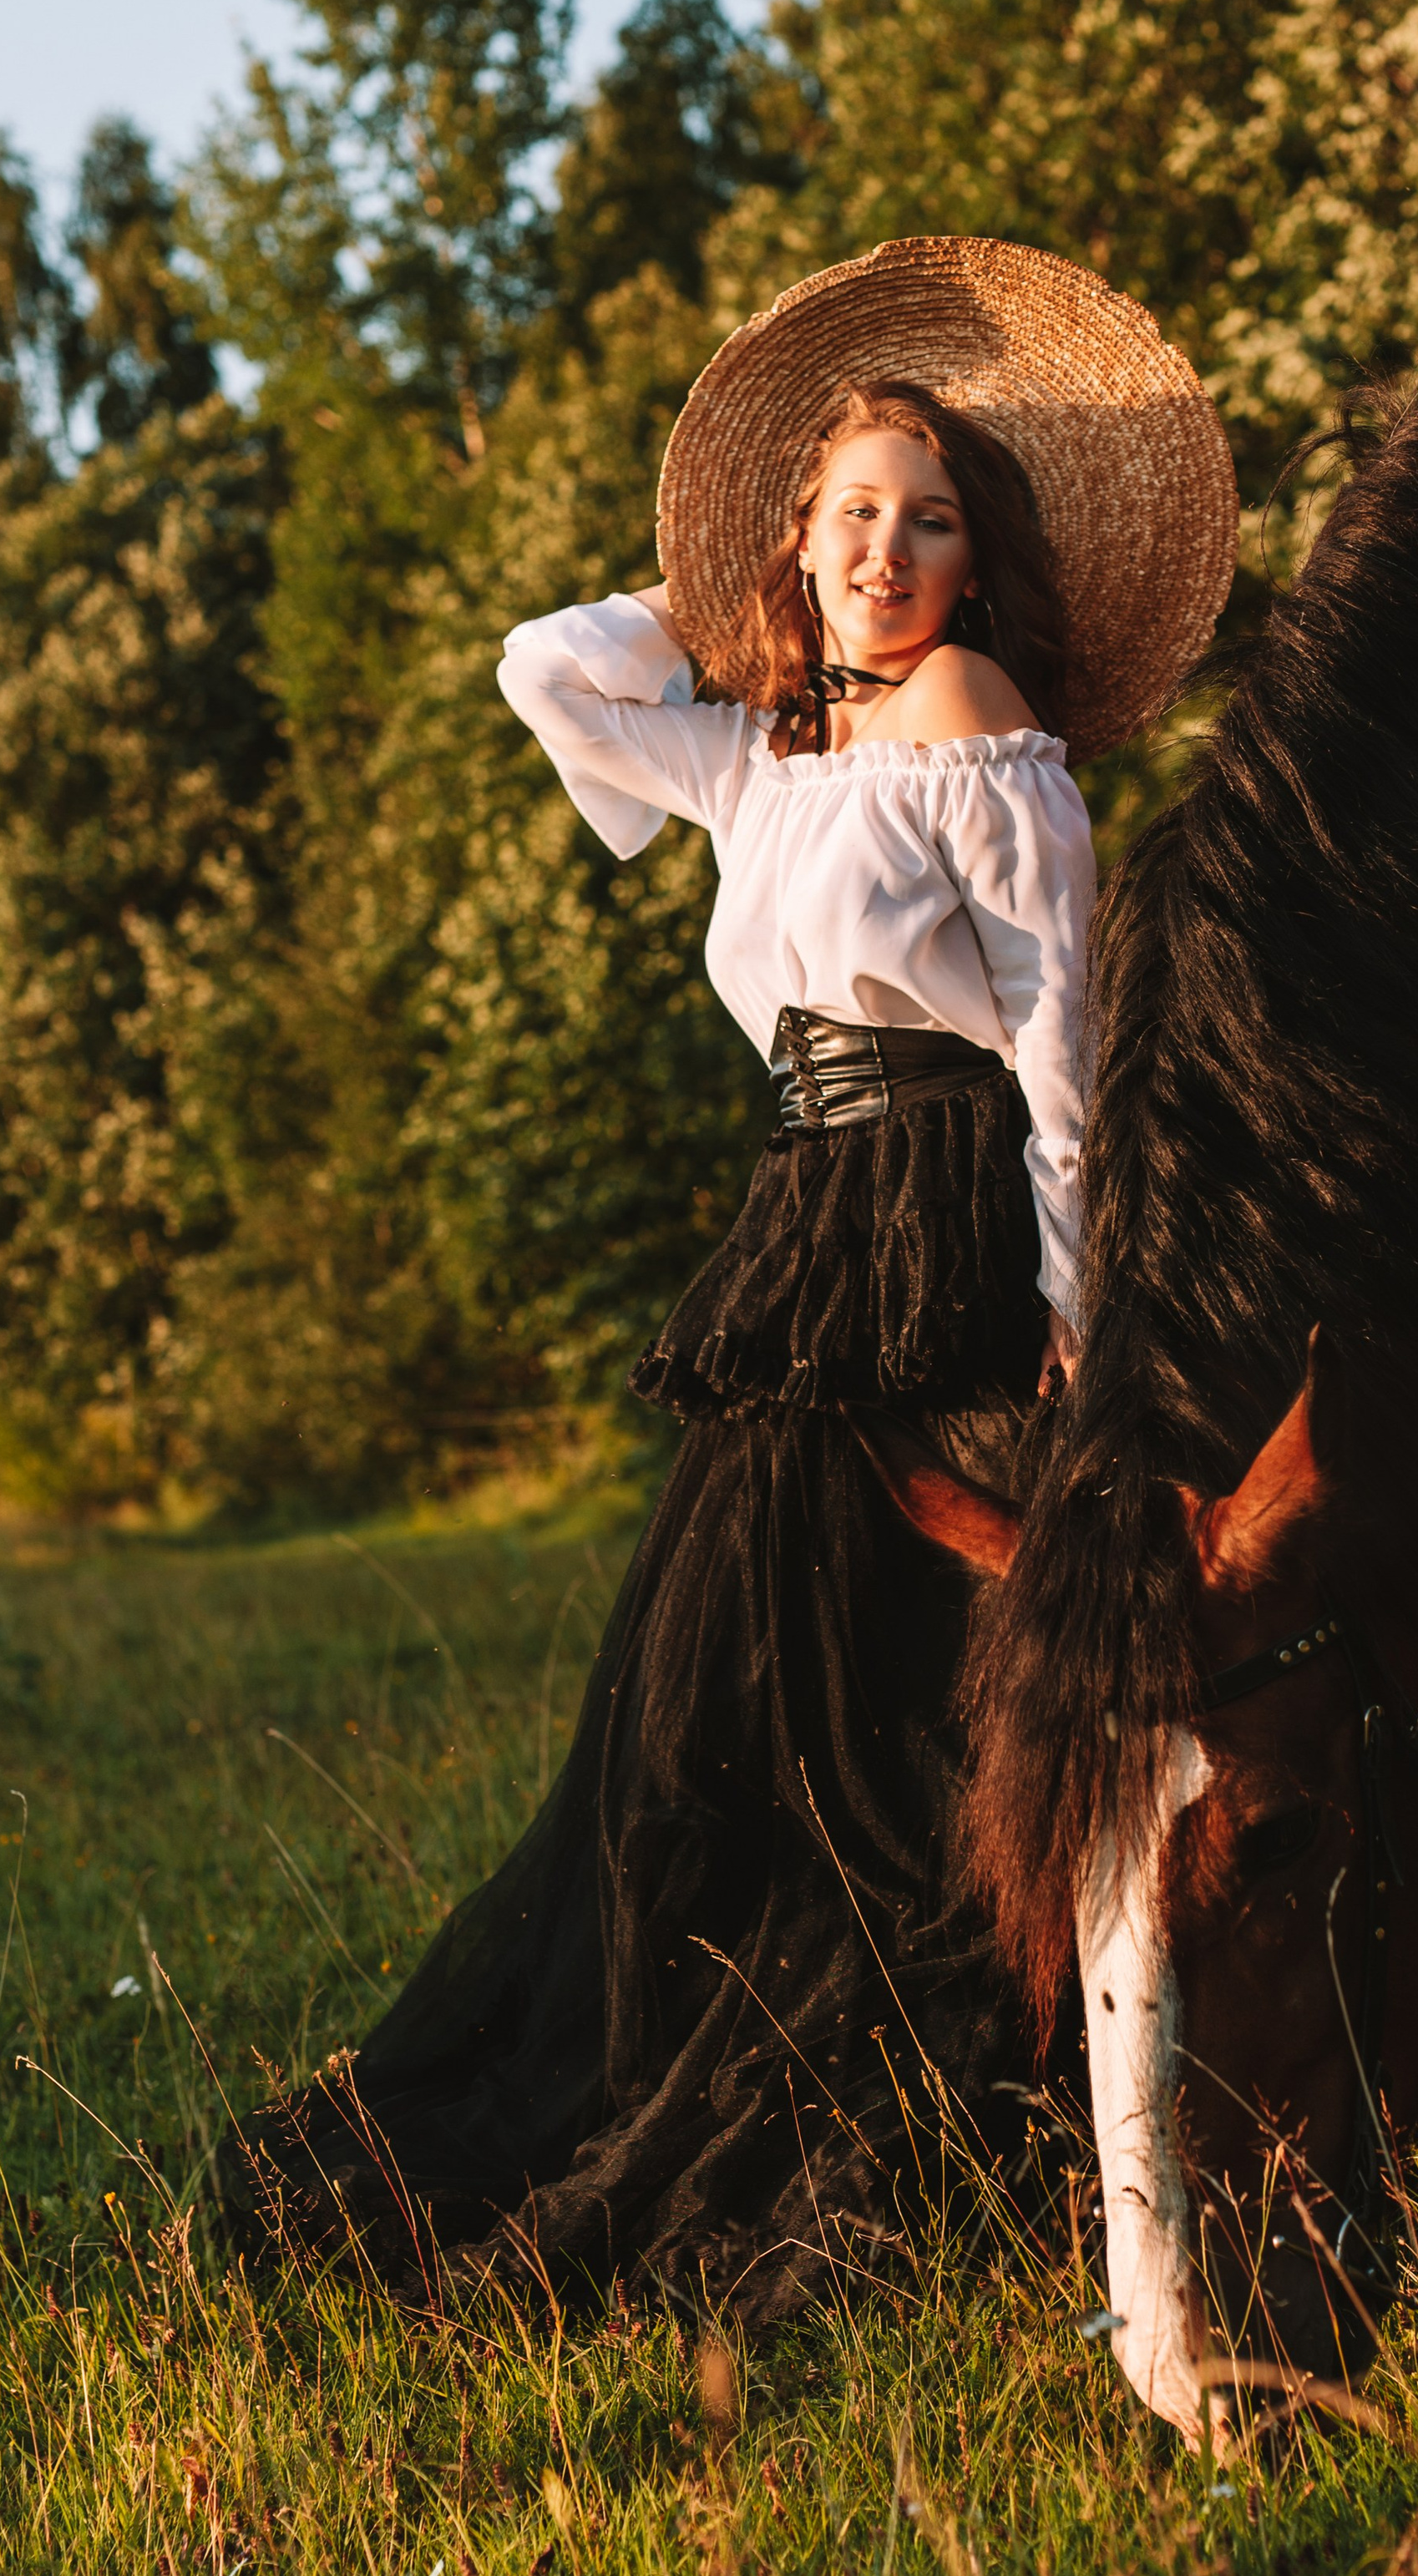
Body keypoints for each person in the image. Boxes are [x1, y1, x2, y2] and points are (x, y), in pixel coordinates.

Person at [215, 237, 1237, 2319]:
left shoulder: (978, 728)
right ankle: (727, 2067)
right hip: (804, 1219)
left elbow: (1059, 1041)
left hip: (945, 1212)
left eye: (929, 521)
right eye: (855, 513)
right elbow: (536, 668)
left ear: (976, 563)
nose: (889, 550)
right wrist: (727, 605)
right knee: (727, 1692)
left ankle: (1026, 2114)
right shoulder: (763, 746)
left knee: (904, 1691)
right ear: (799, 537)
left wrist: (1072, 1304)